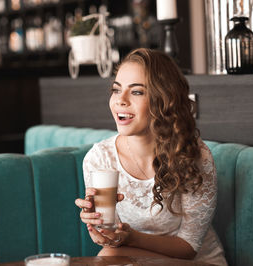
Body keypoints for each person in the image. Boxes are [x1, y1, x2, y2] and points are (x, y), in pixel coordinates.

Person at [74, 48, 227, 264]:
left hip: (195, 261)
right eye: (116, 90)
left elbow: (189, 248)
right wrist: (99, 229)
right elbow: (112, 240)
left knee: (109, 258)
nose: (121, 100)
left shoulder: (193, 155)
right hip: (134, 259)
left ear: (163, 100)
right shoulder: (99, 159)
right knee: (108, 255)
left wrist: (132, 239)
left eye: (137, 92)